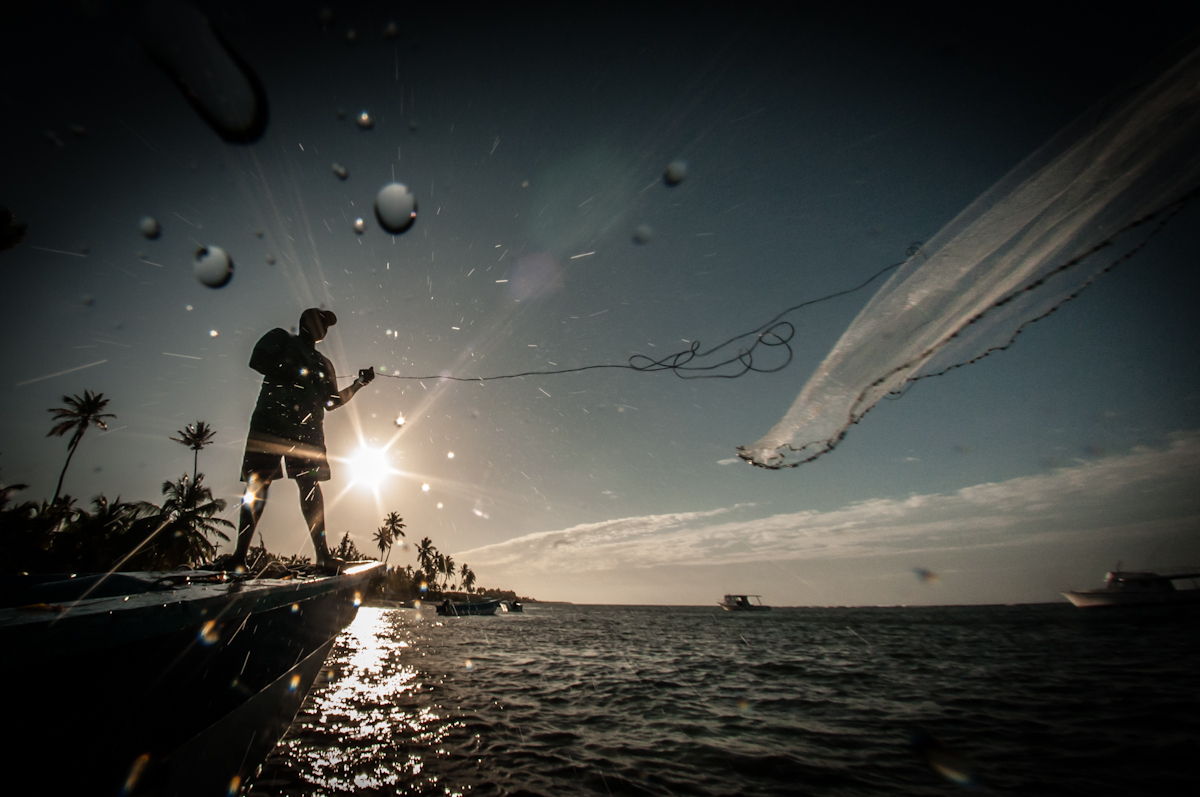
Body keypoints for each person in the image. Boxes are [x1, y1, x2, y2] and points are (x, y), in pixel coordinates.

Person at [225, 308, 374, 572]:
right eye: (320, 322)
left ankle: (323, 556)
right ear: (305, 321)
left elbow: (332, 402)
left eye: (327, 326)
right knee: (257, 484)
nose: (324, 329)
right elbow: (257, 360)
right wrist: (296, 374)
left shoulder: (325, 363)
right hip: (270, 421)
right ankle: (239, 556)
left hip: (307, 431)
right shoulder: (281, 338)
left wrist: (359, 384)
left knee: (310, 485)